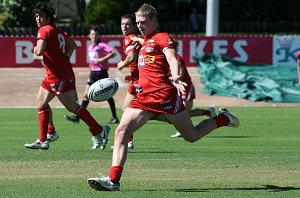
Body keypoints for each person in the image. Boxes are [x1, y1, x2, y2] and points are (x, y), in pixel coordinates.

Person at [87, 3, 239, 191]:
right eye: (137, 22)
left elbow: (171, 58)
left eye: (143, 22)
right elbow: (150, 65)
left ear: (155, 21)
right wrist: (136, 76)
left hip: (164, 96)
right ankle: (113, 180)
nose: (139, 26)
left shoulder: (162, 38)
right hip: (144, 99)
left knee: (191, 136)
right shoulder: (145, 42)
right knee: (121, 132)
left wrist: (175, 75)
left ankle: (224, 119)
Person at [24, 2, 110, 150]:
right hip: (55, 74)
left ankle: (99, 130)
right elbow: (72, 45)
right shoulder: (58, 31)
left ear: (49, 17)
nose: (38, 19)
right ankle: (47, 136)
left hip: (58, 76)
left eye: (41, 16)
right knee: (41, 103)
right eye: (36, 16)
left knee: (72, 107)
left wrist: (36, 51)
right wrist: (64, 58)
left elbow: (38, 52)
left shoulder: (44, 30)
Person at [64, 26, 119, 125]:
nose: (94, 36)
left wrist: (101, 60)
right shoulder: (90, 47)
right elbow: (93, 59)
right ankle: (77, 117)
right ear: (89, 36)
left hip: (101, 72)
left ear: (98, 35)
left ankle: (114, 117)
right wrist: (91, 64)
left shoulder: (101, 45)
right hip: (93, 73)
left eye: (96, 34)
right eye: (92, 34)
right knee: (86, 95)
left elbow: (113, 53)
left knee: (107, 96)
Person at [170, 41, 216, 138]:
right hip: (178, 87)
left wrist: (169, 78)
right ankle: (208, 112)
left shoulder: (177, 59)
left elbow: (181, 74)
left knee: (185, 112)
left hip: (186, 87)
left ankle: (182, 130)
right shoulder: (169, 59)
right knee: (186, 112)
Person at [115, 14, 140, 149]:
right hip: (137, 78)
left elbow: (132, 57)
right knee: (126, 108)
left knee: (129, 109)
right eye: (122, 24)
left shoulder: (129, 39)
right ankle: (128, 140)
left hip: (140, 81)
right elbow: (139, 60)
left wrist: (122, 64)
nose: (124, 27)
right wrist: (132, 74)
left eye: (127, 24)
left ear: (133, 26)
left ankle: (127, 140)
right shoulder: (133, 38)